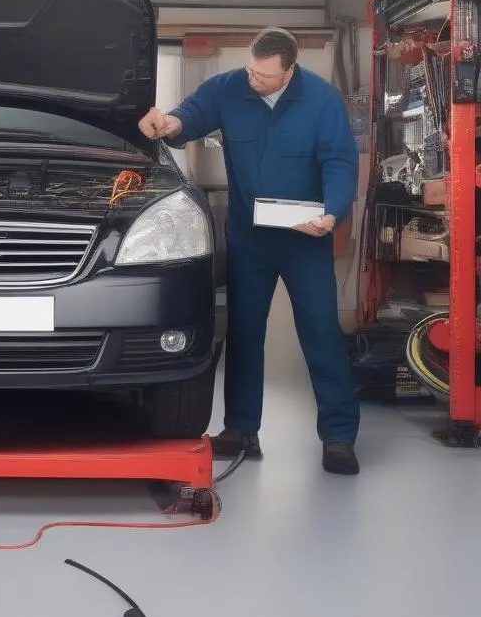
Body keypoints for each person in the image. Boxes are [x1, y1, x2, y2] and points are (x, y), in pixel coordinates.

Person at [138, 27, 361, 475]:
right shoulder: (229, 87)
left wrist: (333, 214)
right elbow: (190, 117)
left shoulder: (321, 101)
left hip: (305, 238)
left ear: (289, 71)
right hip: (249, 238)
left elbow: (339, 161)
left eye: (264, 76)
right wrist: (168, 125)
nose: (254, 80)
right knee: (243, 333)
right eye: (251, 70)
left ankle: (338, 437)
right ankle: (241, 429)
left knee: (321, 334)